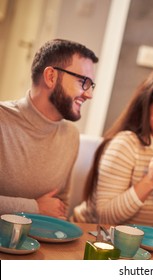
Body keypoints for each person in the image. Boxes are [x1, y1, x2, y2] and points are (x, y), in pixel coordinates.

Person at [72, 65, 153, 229]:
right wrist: (149, 182)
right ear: (146, 108)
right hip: (89, 233)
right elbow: (105, 216)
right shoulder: (125, 145)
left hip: (139, 244)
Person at [0, 39, 99, 219]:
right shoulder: (2, 121)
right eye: (83, 81)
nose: (89, 94)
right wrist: (34, 207)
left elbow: (60, 207)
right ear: (51, 77)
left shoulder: (70, 135)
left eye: (91, 85)